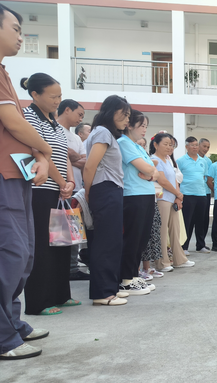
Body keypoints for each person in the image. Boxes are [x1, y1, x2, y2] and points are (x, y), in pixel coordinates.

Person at [0, 4, 53, 360]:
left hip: (17, 174)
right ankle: (3, 337)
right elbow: (14, 123)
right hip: (4, 176)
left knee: (24, 254)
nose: (21, 36)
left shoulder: (4, 73)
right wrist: (45, 150)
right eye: (15, 28)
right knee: (11, 254)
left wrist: (39, 155)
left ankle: (13, 323)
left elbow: (18, 129)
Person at [22, 73, 77, 316]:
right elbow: (40, 152)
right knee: (42, 245)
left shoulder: (53, 120)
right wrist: (62, 181)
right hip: (40, 189)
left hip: (59, 191)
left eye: (60, 96)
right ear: (35, 94)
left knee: (61, 243)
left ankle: (60, 295)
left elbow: (63, 154)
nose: (57, 101)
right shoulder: (28, 116)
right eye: (53, 96)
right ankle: (39, 302)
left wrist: (70, 181)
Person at [83, 95, 131, 306]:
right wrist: (88, 191)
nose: (127, 119)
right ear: (112, 112)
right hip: (105, 190)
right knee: (106, 242)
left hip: (109, 190)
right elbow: (89, 166)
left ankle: (110, 288)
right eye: (125, 114)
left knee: (111, 241)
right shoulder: (102, 132)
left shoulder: (104, 133)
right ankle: (102, 293)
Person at [118, 110, 158, 295]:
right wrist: (150, 173)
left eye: (146, 126)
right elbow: (147, 168)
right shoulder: (123, 143)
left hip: (146, 194)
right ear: (129, 125)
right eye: (141, 125)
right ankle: (126, 279)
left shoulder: (138, 146)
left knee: (141, 238)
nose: (144, 130)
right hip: (133, 195)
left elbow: (154, 171)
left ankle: (133, 275)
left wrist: (150, 174)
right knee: (133, 238)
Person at [150, 132, 194, 270]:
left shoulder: (168, 160)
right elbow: (162, 181)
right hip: (162, 198)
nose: (169, 147)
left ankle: (179, 259)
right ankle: (162, 262)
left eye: (171, 145)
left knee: (175, 230)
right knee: (162, 231)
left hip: (172, 198)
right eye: (166, 144)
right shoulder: (154, 160)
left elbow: (174, 179)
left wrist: (178, 196)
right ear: (156, 145)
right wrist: (178, 193)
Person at [57, 99, 90, 282]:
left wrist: (71, 156)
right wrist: (72, 156)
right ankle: (62, 268)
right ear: (67, 110)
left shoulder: (76, 138)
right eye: (79, 114)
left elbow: (84, 161)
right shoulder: (54, 130)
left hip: (75, 190)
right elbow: (62, 155)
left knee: (73, 232)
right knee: (59, 232)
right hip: (61, 189)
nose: (81, 119)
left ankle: (72, 268)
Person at [177, 137, 208, 253]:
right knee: (187, 221)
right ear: (187, 147)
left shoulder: (203, 161)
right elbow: (177, 179)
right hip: (187, 194)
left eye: (196, 145)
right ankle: (184, 247)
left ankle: (201, 245)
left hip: (201, 194)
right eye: (192, 145)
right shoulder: (180, 161)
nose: (195, 147)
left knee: (201, 221)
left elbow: (203, 176)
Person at [198, 138, 212, 252]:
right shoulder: (188, 159)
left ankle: (201, 244)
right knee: (190, 220)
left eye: (208, 147)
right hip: (192, 193)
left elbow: (209, 179)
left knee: (203, 219)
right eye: (204, 146)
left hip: (205, 193)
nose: (206, 149)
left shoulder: (208, 161)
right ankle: (184, 246)